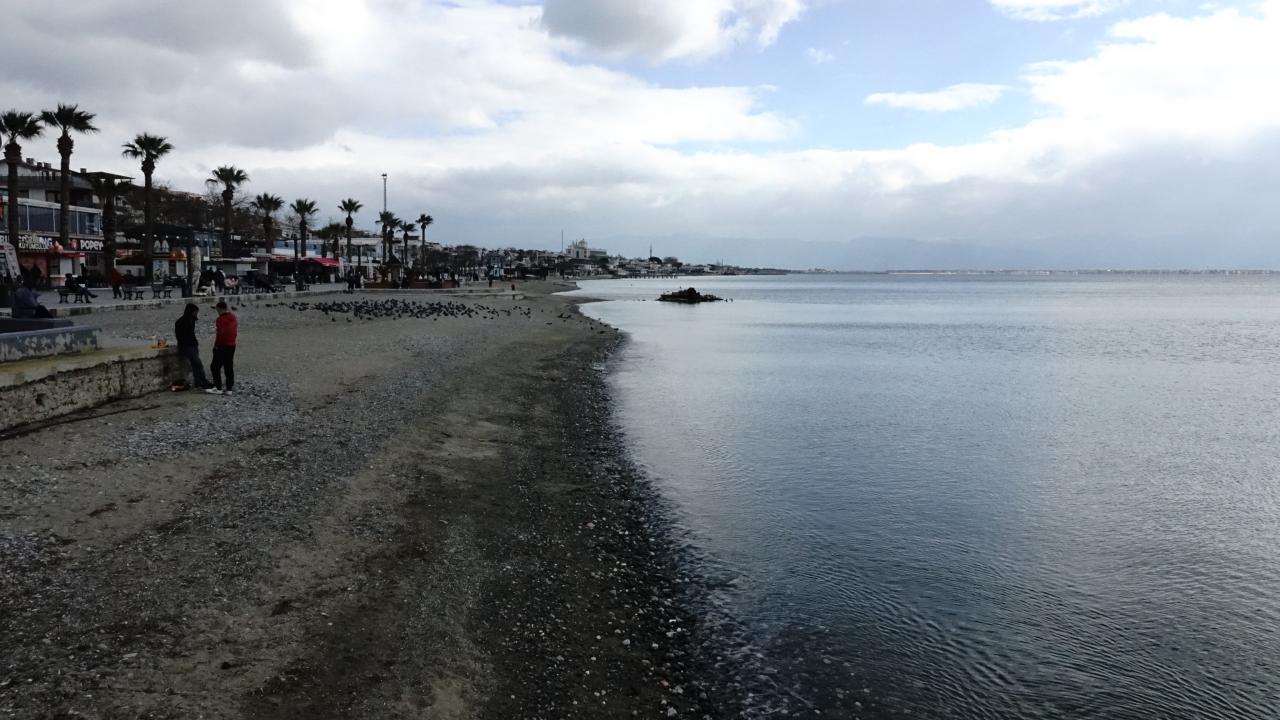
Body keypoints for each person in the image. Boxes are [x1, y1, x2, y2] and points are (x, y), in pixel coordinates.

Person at [174, 303, 213, 390]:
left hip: (192, 345)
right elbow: (180, 336)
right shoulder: (181, 322)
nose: (196, 314)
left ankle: (198, 383)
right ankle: (203, 381)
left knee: (195, 364)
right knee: (198, 364)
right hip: (187, 346)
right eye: (195, 312)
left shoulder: (191, 320)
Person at [209, 300, 238, 396]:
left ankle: (218, 388)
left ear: (220, 309)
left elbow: (221, 334)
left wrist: (216, 345)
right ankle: (229, 389)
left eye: (217, 310)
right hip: (232, 345)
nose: (217, 312)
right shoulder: (233, 317)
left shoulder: (221, 319)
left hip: (222, 345)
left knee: (215, 366)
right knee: (228, 366)